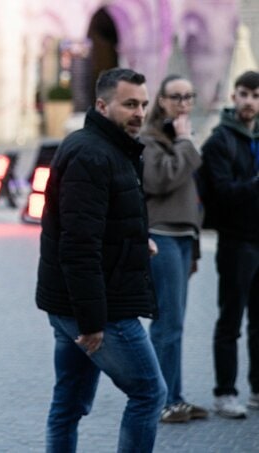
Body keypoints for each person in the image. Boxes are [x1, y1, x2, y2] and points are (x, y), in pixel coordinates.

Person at [36, 67, 166, 452]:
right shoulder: (92, 154)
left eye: (143, 104)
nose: (139, 113)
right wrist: (92, 322)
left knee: (69, 404)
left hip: (75, 303)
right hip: (99, 309)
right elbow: (78, 245)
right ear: (102, 105)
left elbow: (101, 223)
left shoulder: (112, 147)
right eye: (130, 104)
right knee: (149, 393)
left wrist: (137, 242)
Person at [141, 74, 209, 423]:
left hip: (182, 239)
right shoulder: (149, 139)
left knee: (176, 324)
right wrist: (185, 142)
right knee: (167, 325)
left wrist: (194, 249)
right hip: (162, 236)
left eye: (188, 96)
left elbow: (190, 196)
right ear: (162, 101)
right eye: (176, 97)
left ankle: (176, 397)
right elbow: (160, 180)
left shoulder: (179, 138)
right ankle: (162, 401)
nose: (183, 103)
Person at [200, 70, 259, 419]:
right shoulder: (219, 141)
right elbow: (221, 194)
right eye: (244, 94)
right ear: (233, 97)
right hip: (236, 242)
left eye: (256, 95)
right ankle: (225, 392)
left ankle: (256, 389)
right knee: (231, 321)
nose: (249, 101)